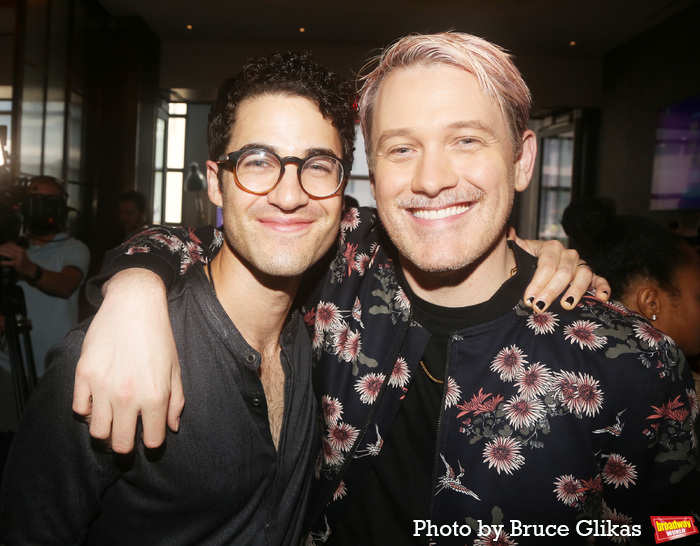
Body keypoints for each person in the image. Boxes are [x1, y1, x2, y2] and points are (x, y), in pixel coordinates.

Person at [38, 35, 673, 544]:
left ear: (523, 159)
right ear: (371, 170)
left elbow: (678, 526)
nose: (431, 179)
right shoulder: (344, 268)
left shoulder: (633, 360)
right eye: (401, 149)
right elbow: (236, 232)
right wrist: (133, 286)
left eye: (466, 141)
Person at [0, 51, 357, 544]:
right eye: (257, 161)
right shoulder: (109, 361)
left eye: (318, 165)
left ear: (343, 189)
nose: (289, 194)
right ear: (215, 182)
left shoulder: (329, 338)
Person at [0, 176, 90, 432]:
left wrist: (27, 268)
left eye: (51, 201)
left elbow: (66, 285)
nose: (43, 208)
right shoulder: (10, 246)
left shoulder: (74, 248)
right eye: (37, 201)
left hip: (55, 367)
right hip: (8, 365)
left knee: (47, 439)